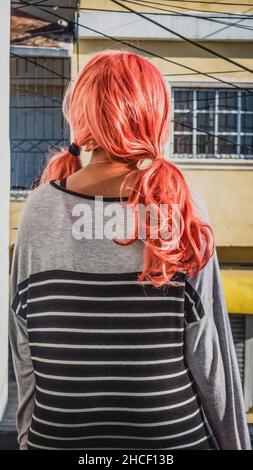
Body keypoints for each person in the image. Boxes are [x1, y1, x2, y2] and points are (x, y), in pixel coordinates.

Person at [9, 50, 251, 450]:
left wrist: (27, 440)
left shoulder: (39, 208)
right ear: (154, 115)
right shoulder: (180, 203)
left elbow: (25, 347)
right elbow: (212, 357)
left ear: (81, 113)